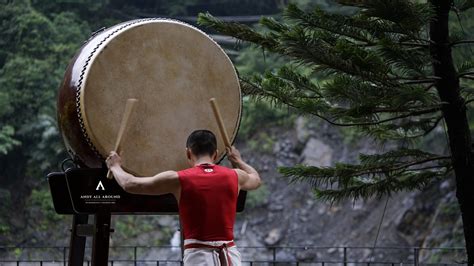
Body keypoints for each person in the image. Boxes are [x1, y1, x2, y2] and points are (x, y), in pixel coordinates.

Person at [106, 129, 261, 266]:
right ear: (215, 153)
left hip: (197, 258)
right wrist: (238, 160)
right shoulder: (235, 176)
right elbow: (256, 178)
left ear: (188, 152)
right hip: (230, 256)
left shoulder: (179, 179)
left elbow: (130, 184)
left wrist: (115, 166)